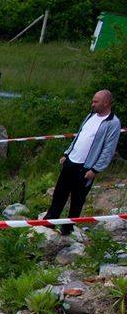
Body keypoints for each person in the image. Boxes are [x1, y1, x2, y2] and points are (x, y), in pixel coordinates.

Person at [45, 90, 122, 235]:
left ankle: (67, 228)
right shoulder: (90, 116)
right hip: (71, 160)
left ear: (106, 103)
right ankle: (49, 221)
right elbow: (79, 136)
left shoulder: (113, 123)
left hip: (86, 167)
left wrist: (95, 169)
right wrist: (67, 153)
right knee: (59, 193)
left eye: (96, 102)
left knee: (77, 198)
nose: (92, 104)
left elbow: (108, 150)